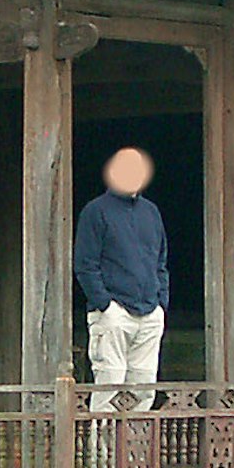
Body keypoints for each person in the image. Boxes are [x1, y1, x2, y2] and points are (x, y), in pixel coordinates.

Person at [73, 145, 169, 409]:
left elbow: (160, 262)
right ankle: (103, 452)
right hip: (113, 315)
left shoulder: (151, 212)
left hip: (149, 314)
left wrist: (161, 304)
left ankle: (133, 452)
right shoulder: (95, 211)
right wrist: (106, 305)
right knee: (108, 391)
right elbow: (85, 265)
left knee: (144, 391)